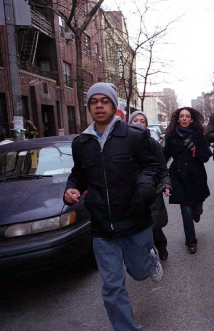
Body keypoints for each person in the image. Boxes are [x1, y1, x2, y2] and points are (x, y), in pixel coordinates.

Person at [64, 82, 163, 331]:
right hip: (101, 227)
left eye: (104, 101)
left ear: (113, 105)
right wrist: (71, 188)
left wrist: (143, 190)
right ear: (88, 107)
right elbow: (78, 174)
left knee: (139, 273)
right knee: (112, 286)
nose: (99, 105)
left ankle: (149, 261)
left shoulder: (134, 135)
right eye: (94, 101)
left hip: (134, 218)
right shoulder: (81, 143)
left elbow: (151, 167)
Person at [163, 107, 212, 254]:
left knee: (196, 208)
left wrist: (195, 151)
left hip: (197, 176)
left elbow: (207, 155)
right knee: (186, 212)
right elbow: (164, 156)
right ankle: (191, 241)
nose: (184, 119)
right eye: (182, 116)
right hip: (178, 177)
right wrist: (160, 172)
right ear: (178, 119)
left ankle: (197, 212)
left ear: (191, 119)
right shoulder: (171, 136)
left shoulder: (198, 135)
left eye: (187, 116)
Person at [129, 111, 171, 261]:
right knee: (139, 230)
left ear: (146, 126)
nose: (139, 123)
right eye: (135, 120)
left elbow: (162, 168)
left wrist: (166, 184)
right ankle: (148, 256)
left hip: (151, 191)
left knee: (155, 228)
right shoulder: (123, 145)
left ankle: (162, 247)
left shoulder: (153, 144)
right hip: (132, 193)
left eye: (142, 121)